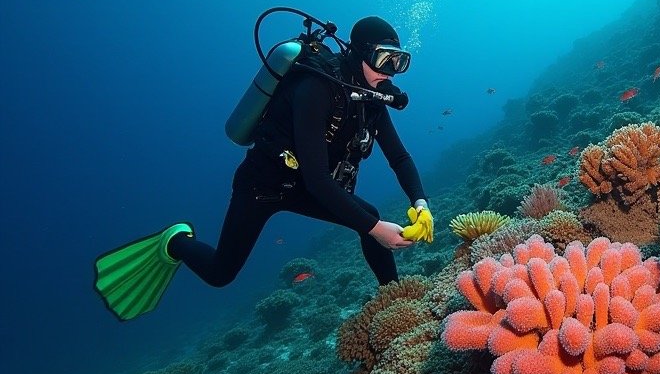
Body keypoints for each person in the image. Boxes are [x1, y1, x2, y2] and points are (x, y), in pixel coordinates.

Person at [94, 16, 433, 321]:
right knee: (220, 274)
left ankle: (395, 303)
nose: (389, 72)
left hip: (304, 186)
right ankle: (176, 241)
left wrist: (421, 202)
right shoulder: (317, 87)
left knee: (368, 215)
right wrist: (375, 228)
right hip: (262, 185)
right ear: (358, 54)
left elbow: (399, 157)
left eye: (398, 62)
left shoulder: (369, 97)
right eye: (383, 60)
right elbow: (318, 179)